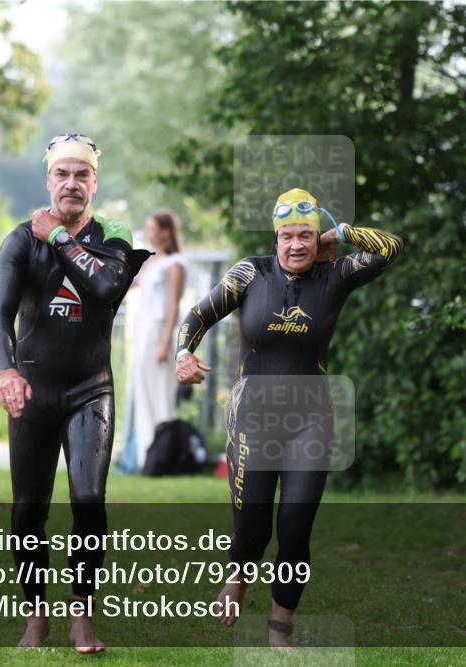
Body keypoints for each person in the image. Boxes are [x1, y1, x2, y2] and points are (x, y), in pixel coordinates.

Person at [174, 187, 402, 648]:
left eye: (306, 235)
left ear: (318, 239)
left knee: (295, 525)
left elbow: (389, 247)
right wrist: (184, 353)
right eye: (287, 236)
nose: (296, 245)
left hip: (310, 420)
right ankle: (239, 575)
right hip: (252, 418)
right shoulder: (249, 274)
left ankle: (281, 624)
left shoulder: (334, 276)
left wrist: (342, 231)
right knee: (253, 527)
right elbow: (197, 316)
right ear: (275, 238)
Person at [0, 132, 149, 653]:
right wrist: (7, 372)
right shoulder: (19, 240)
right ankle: (36, 617)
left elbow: (104, 288)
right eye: (63, 173)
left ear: (95, 183)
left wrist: (58, 238)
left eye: (82, 174)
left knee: (88, 499)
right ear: (48, 180)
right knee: (27, 510)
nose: (72, 183)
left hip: (90, 391)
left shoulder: (116, 235)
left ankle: (83, 614)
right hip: (34, 392)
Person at [118, 210, 188, 473]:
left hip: (159, 330)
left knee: (161, 393)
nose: (149, 233)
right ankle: (147, 456)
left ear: (166, 231)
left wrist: (165, 341)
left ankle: (165, 455)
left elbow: (173, 306)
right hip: (143, 330)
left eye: (153, 228)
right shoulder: (150, 262)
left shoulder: (175, 264)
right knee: (143, 391)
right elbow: (129, 285)